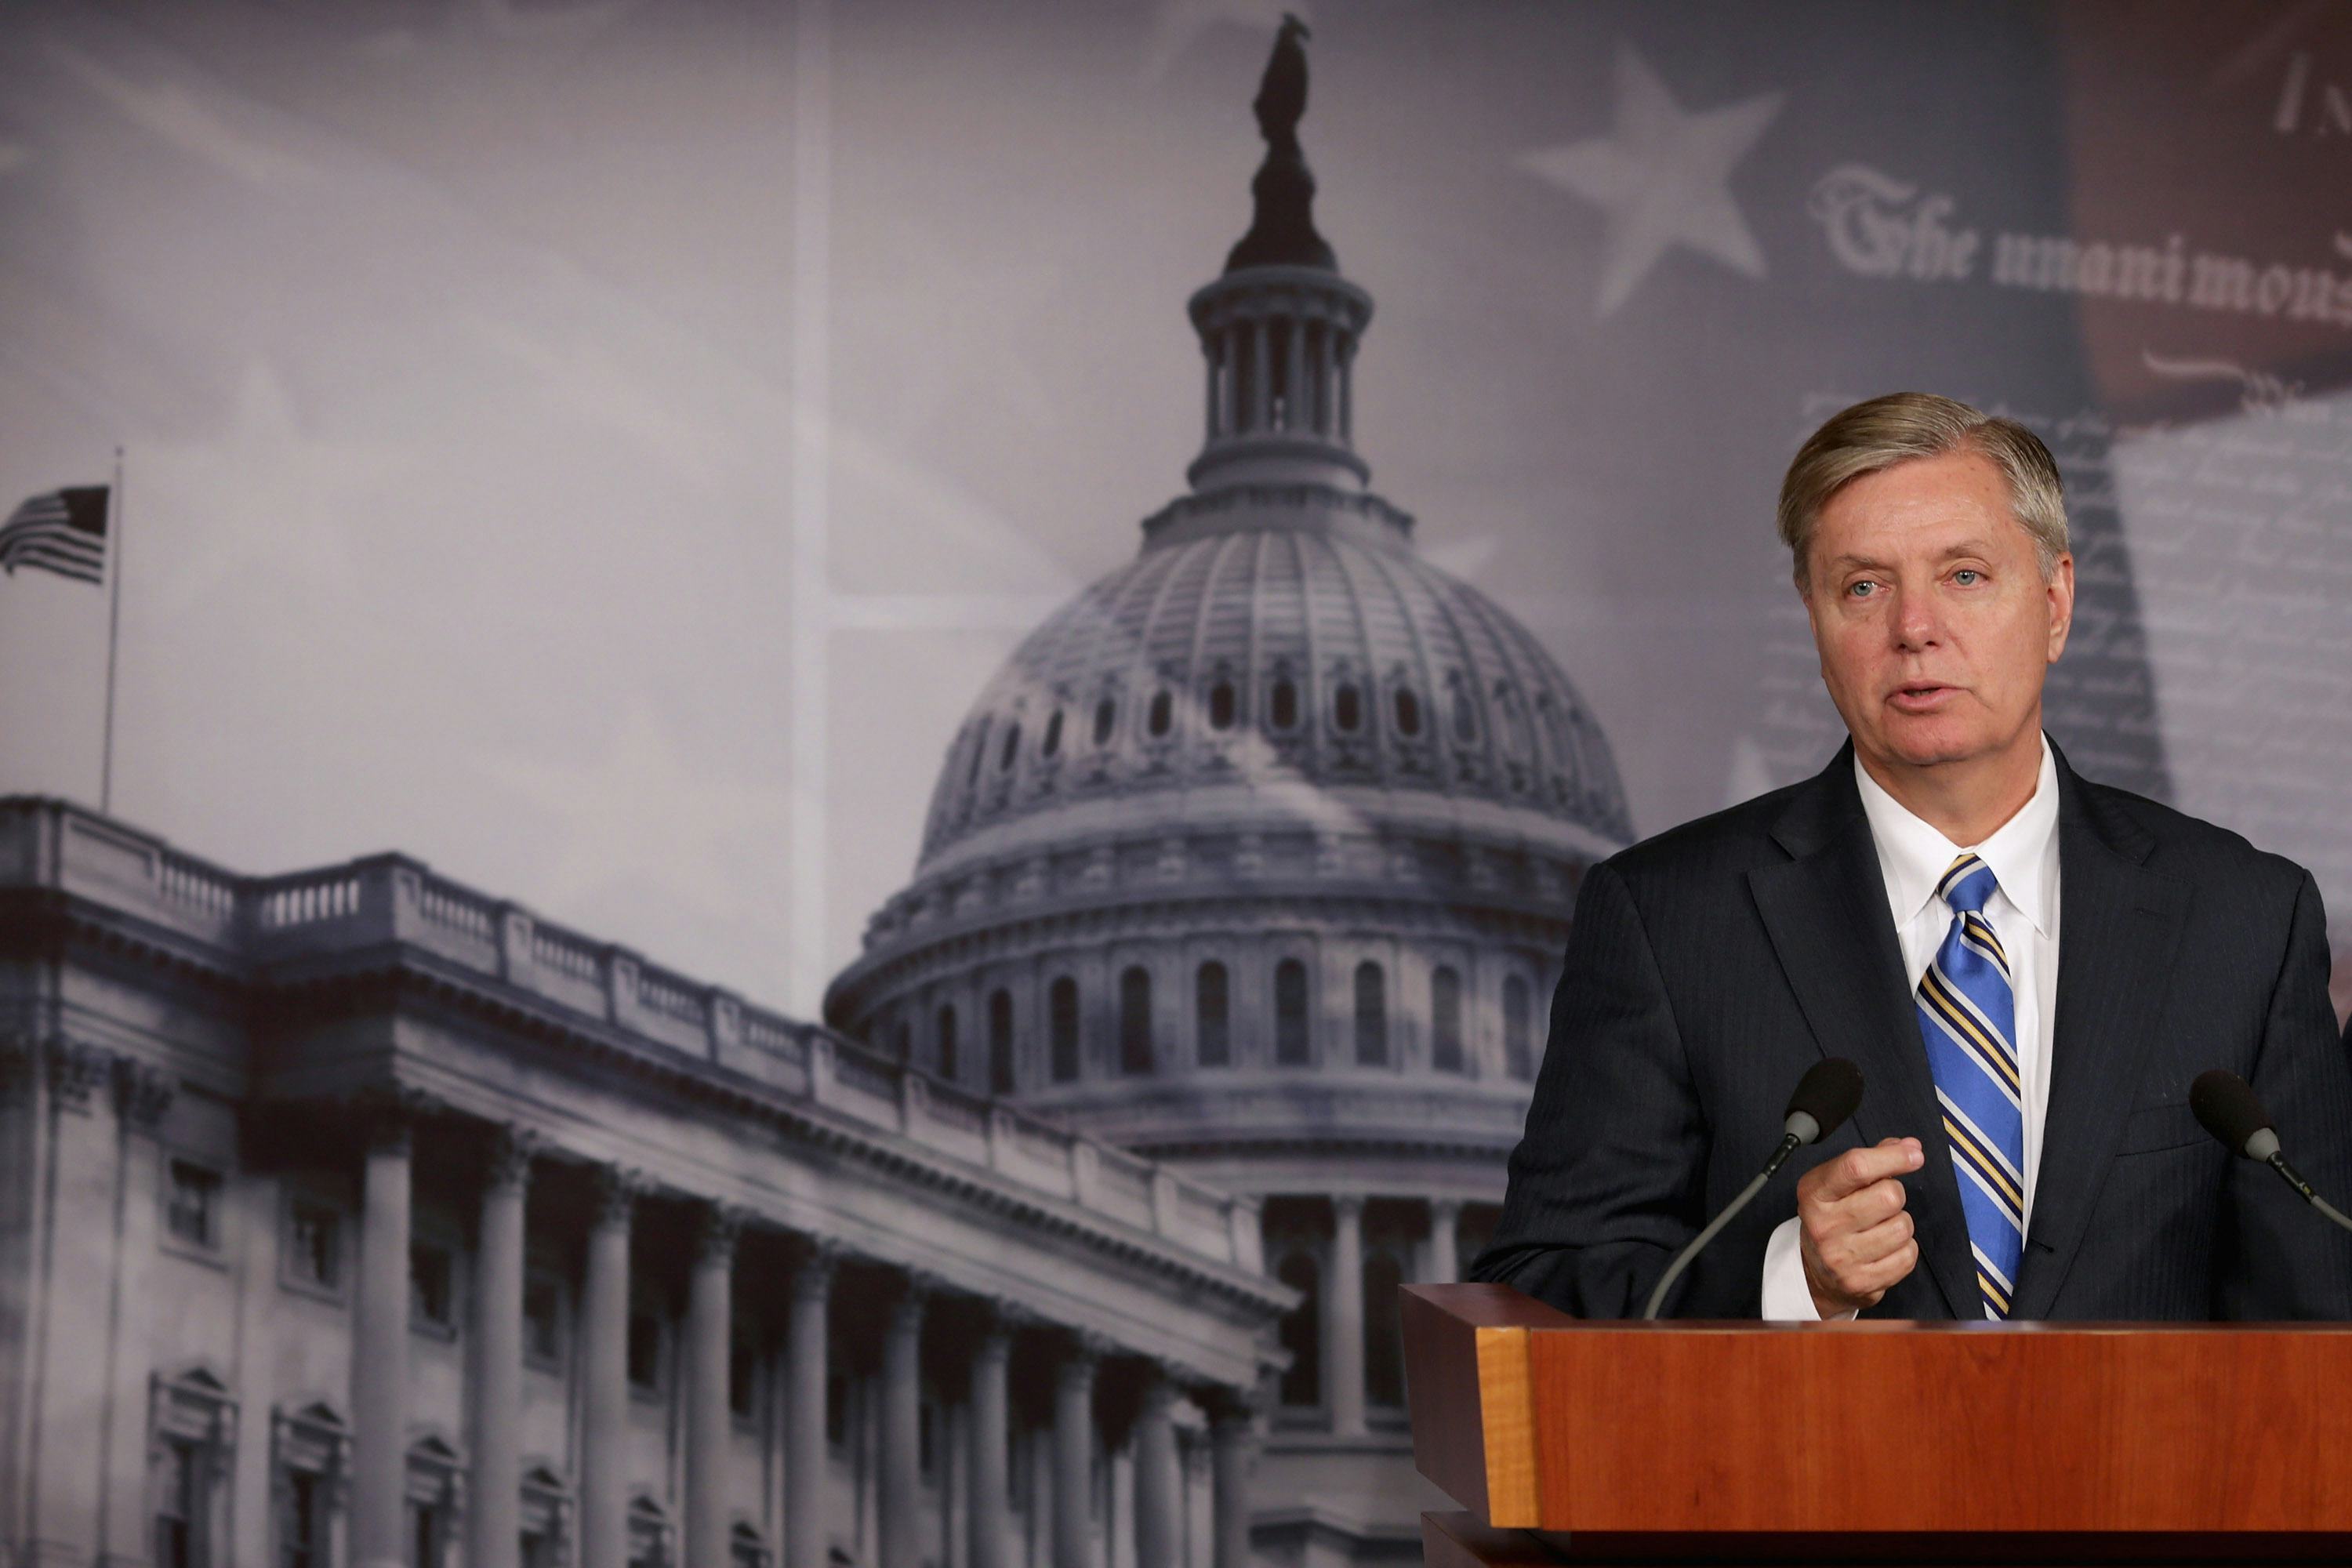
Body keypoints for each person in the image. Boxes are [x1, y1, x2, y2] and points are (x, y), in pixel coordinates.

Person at [1472, 392, 2352, 1320]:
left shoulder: (2244, 921)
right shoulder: (1669, 917)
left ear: (2055, 604)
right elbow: (1544, 1282)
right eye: (1863, 586)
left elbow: (2319, 1309)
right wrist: (1791, 1279)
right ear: (1814, 620)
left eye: (1965, 575)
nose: (1915, 627)